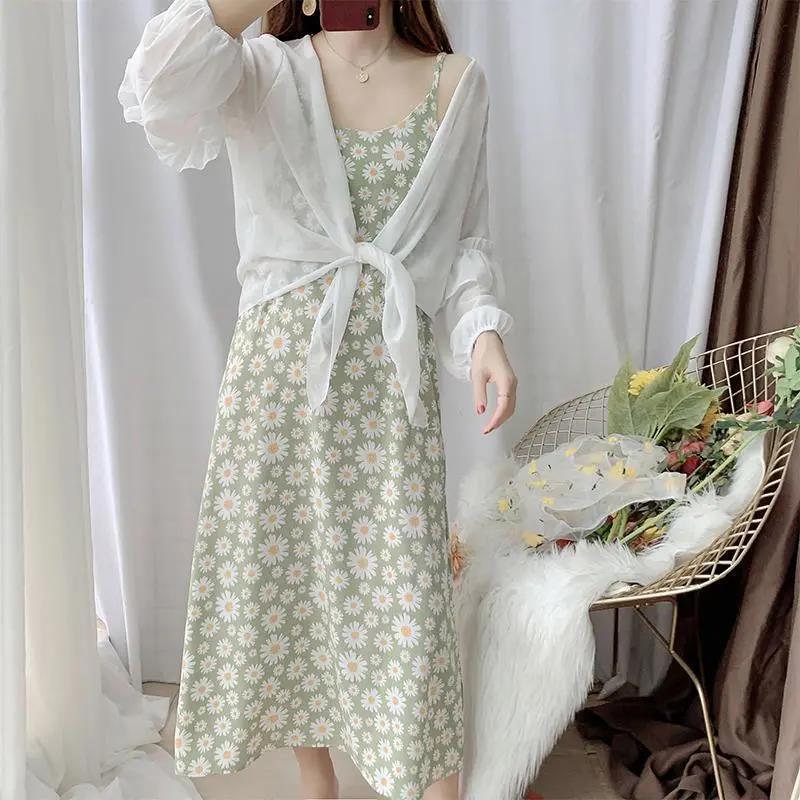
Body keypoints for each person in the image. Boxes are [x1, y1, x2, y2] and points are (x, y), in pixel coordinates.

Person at [118, 0, 516, 797]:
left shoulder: (456, 82)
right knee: (292, 587)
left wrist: (483, 335)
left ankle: (434, 784)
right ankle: (316, 782)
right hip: (275, 389)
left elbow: (466, 239)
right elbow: (155, 86)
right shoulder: (261, 73)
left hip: (388, 393)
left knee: (407, 602)